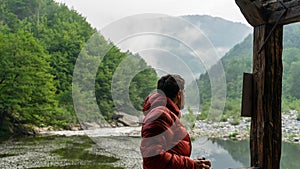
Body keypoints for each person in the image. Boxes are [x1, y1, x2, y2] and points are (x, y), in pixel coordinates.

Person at [140, 74, 211, 169]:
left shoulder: (165, 113)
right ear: (179, 94)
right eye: (184, 92)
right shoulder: (160, 114)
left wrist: (192, 163)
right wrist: (190, 165)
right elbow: (153, 159)